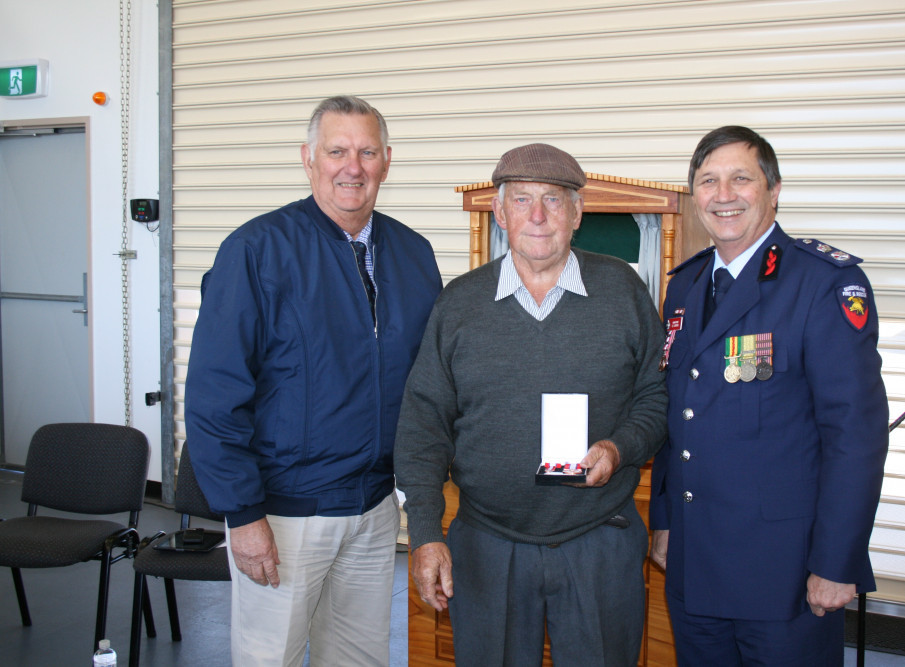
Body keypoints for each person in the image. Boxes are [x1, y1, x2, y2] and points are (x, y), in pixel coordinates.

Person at [185, 95, 442, 666]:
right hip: (283, 516)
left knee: (358, 659)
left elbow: (433, 382)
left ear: (387, 161)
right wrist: (243, 515)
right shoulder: (255, 251)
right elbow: (213, 397)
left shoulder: (414, 255)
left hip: (375, 511)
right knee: (268, 658)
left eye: (367, 152)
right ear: (308, 159)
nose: (353, 166)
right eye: (337, 151)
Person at [395, 143, 668, 667]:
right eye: (521, 200)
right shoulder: (459, 304)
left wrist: (620, 446)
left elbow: (657, 397)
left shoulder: (624, 292)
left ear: (577, 213)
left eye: (553, 200)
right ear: (499, 213)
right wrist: (426, 534)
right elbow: (421, 427)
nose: (537, 216)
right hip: (486, 545)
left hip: (599, 540)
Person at [648, 125, 889, 665]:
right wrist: (663, 521)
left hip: (784, 577)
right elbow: (676, 411)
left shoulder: (821, 283)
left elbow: (855, 434)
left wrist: (837, 561)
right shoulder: (684, 286)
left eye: (741, 178)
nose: (723, 194)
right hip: (695, 566)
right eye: (708, 181)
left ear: (774, 190)